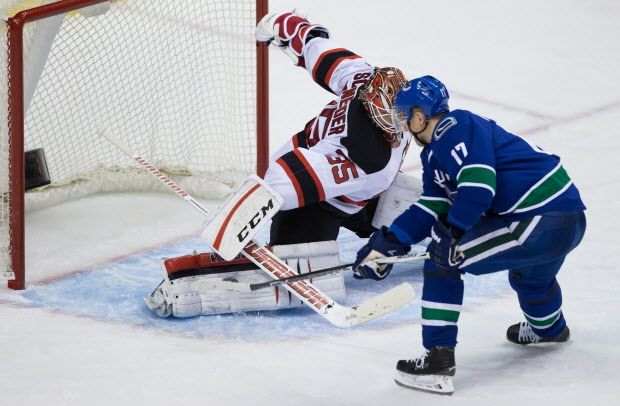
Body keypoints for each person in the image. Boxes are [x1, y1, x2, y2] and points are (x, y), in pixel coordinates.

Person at [145, 11, 419, 318]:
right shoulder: (365, 155)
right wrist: (236, 222)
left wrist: (291, 28)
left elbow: (317, 47)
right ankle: (190, 290)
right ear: (371, 99)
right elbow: (281, 183)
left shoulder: (364, 81)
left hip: (361, 195)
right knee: (294, 272)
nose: (400, 126)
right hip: (317, 204)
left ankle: (434, 223)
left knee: (407, 201)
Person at [353, 75, 586, 395]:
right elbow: (433, 204)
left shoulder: (454, 127)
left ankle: (437, 363)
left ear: (420, 116)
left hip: (535, 220)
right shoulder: (437, 152)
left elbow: (479, 187)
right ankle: (549, 329)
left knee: (441, 259)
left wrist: (451, 234)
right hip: (567, 218)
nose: (404, 124)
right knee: (531, 277)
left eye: (406, 117)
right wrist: (387, 243)